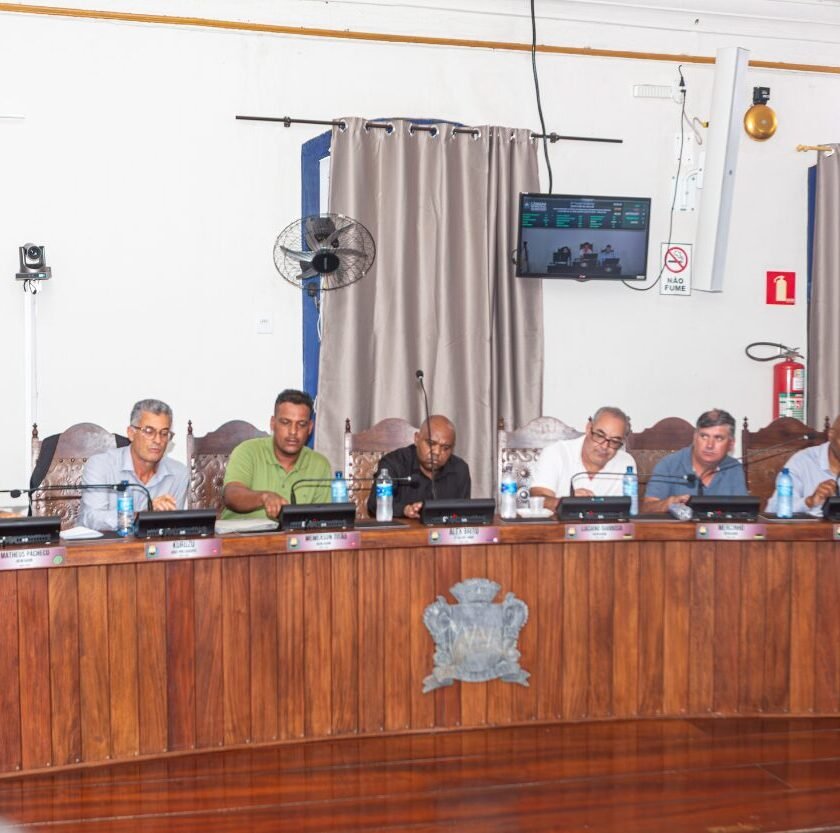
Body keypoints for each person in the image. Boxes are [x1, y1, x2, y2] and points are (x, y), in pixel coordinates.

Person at [79, 398, 188, 531]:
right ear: (131, 433)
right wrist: (141, 515)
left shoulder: (178, 473)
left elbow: (173, 525)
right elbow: (93, 519)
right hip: (103, 548)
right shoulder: (101, 465)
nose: (158, 440)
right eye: (149, 431)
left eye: (164, 433)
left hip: (152, 548)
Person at [222, 389, 331, 520]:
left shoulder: (319, 464)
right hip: (240, 537)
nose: (293, 432)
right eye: (286, 422)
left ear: (310, 428)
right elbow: (231, 495)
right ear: (273, 423)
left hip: (292, 539)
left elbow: (322, 519)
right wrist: (263, 497)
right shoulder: (247, 451)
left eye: (301, 424)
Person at [530, 407, 637, 511]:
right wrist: (568, 502)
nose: (604, 446)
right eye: (599, 435)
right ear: (588, 428)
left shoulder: (626, 463)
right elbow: (538, 498)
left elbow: (628, 512)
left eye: (614, 441)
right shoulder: (556, 452)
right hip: (559, 527)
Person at [642, 408, 748, 513]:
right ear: (695, 437)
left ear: (731, 444)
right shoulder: (669, 465)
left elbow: (743, 513)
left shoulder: (733, 467)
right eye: (704, 436)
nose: (710, 445)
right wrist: (669, 503)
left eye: (718, 438)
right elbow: (647, 509)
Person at [366, 415, 470, 519]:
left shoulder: (460, 470)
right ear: (416, 439)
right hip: (401, 534)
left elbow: (464, 513)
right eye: (431, 443)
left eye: (446, 448)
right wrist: (404, 510)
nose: (437, 452)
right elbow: (374, 504)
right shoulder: (393, 463)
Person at [766, 415, 840, 516]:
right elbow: (773, 509)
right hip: (810, 530)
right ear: (831, 435)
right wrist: (809, 501)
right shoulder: (803, 461)